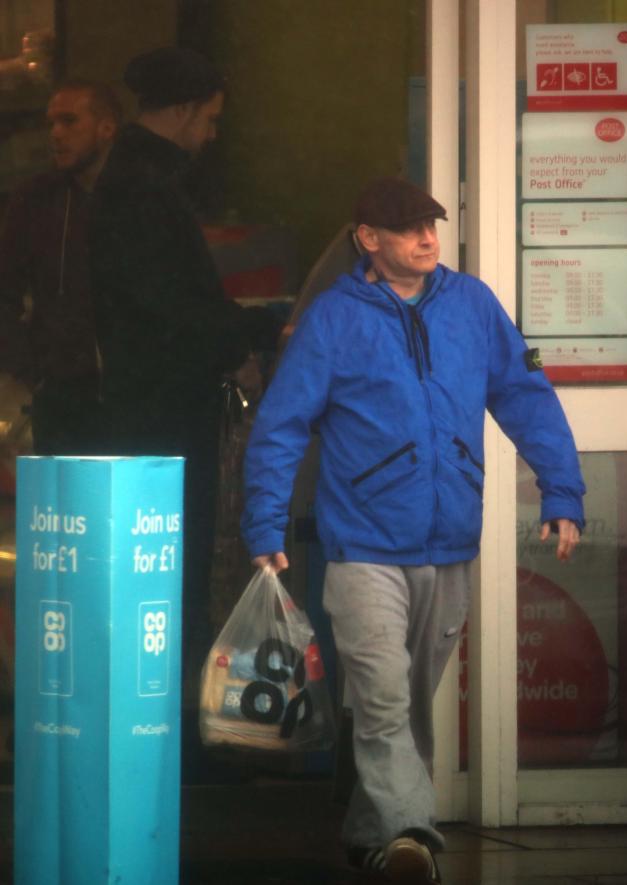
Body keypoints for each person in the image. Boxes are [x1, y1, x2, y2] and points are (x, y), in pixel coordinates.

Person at [241, 177, 586, 884]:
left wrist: (562, 490)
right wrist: (264, 521)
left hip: (451, 540)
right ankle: (408, 836)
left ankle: (374, 833)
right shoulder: (333, 318)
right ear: (369, 239)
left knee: (407, 698)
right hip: (362, 545)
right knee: (384, 691)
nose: (429, 238)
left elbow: (525, 396)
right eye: (409, 229)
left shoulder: (473, 305)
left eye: (433, 225)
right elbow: (281, 425)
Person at [88, 47, 282, 768]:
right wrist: (241, 339)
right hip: (163, 414)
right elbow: (171, 304)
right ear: (181, 111)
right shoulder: (145, 189)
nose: (212, 135)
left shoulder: (135, 181)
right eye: (210, 119)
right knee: (173, 570)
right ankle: (168, 735)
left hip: (153, 406)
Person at [0, 80, 121, 454]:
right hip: (60, 384)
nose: (55, 134)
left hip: (128, 386)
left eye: (69, 121)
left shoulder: (134, 198)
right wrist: (31, 369)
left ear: (106, 127)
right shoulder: (37, 200)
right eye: (51, 123)